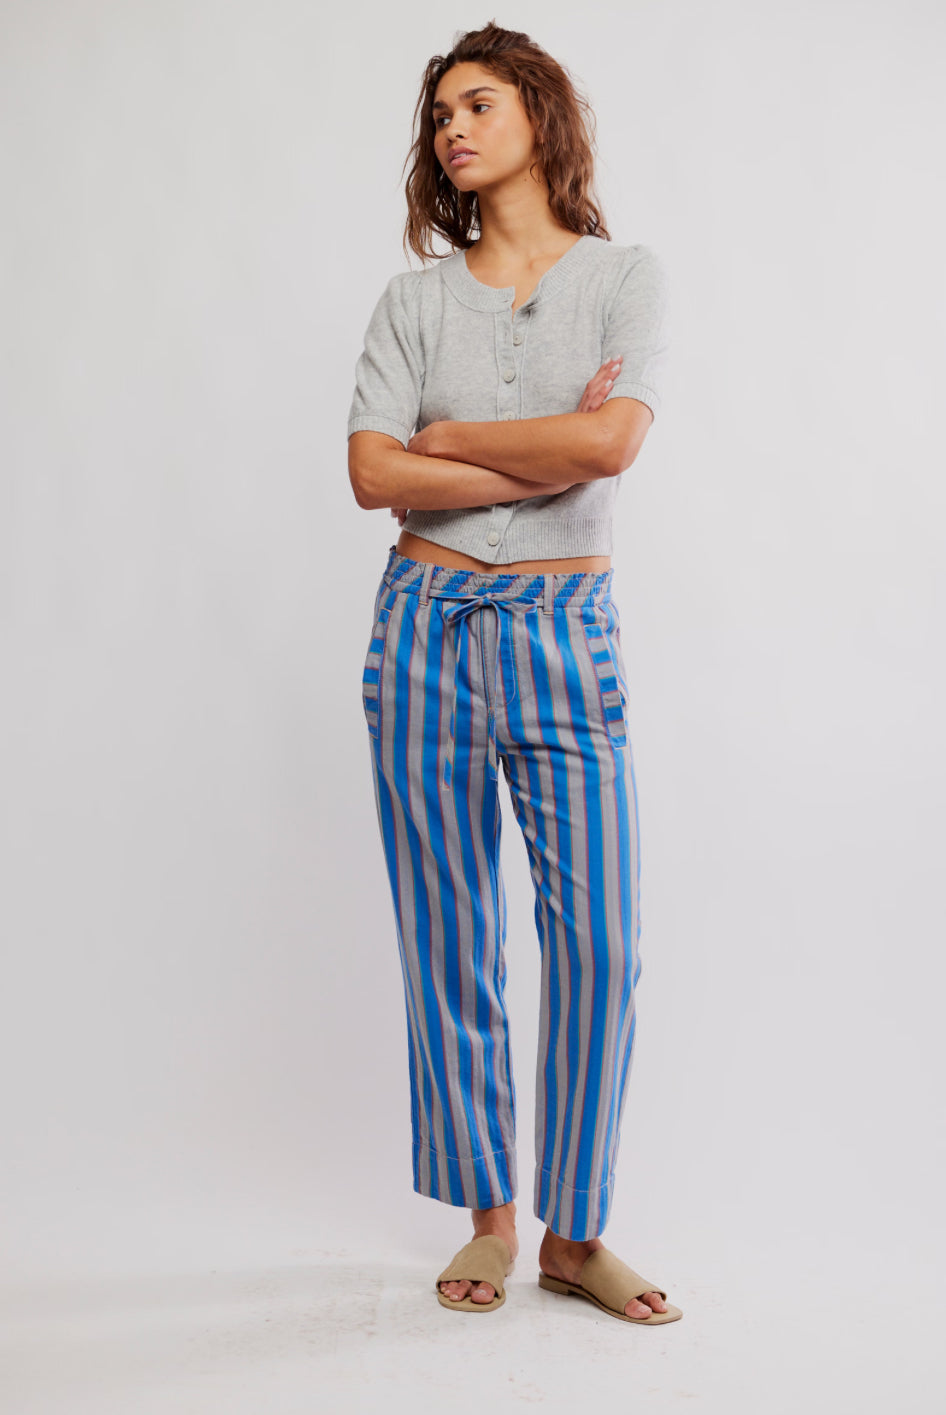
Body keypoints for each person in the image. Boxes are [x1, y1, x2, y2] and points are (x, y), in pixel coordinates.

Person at [346, 21, 682, 1326]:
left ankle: (574, 1233)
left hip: (563, 631)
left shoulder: (624, 279)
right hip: (423, 625)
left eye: (477, 104)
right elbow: (370, 473)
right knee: (449, 932)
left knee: (598, 940)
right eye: (440, 116)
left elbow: (610, 446)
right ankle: (489, 1220)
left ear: (539, 113)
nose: (453, 130)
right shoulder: (412, 302)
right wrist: (537, 448)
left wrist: (452, 441)